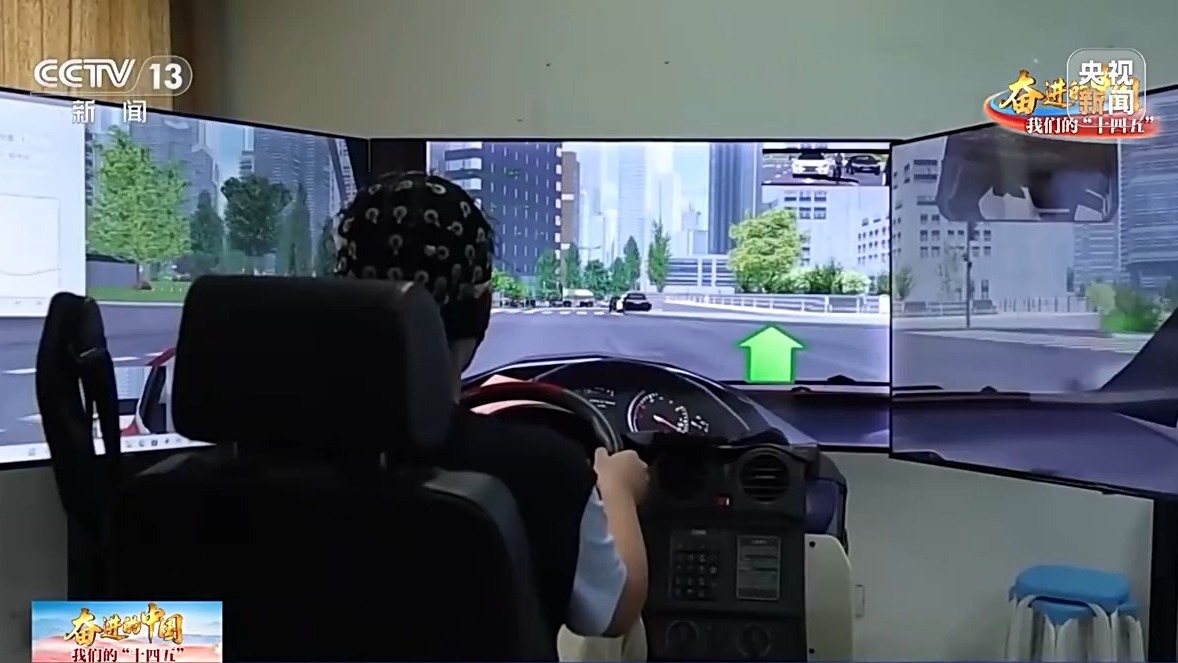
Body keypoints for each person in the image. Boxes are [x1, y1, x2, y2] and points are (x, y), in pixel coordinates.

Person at [332, 171, 650, 644]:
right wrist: (617, 488)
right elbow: (615, 612)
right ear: (481, 309)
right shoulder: (541, 469)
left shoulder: (234, 462)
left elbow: (202, 635)